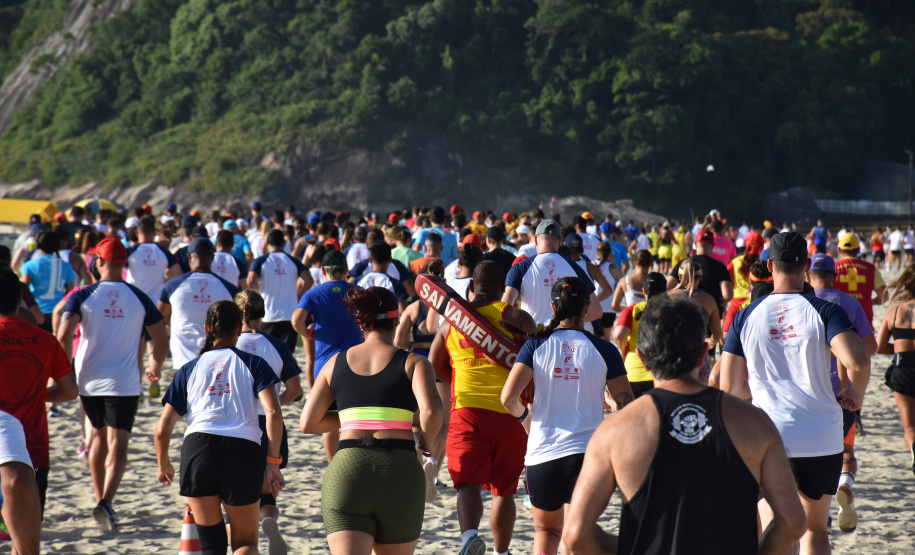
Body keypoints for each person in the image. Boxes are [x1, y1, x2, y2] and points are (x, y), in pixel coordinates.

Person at [562, 296, 806, 555]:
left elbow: (576, 534)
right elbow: (792, 522)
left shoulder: (616, 431)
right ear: (703, 354)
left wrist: (635, 548)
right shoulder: (753, 422)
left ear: (643, 359)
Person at [720, 231, 871, 555]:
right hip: (820, 435)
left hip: (767, 436)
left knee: (774, 534)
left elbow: (731, 387)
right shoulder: (824, 310)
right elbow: (858, 361)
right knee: (815, 531)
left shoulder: (747, 314)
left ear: (770, 266)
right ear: (805, 265)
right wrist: (854, 393)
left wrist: (760, 396)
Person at [299, 286, 442, 555]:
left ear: (361, 323)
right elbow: (432, 412)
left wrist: (353, 418)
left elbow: (308, 423)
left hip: (349, 469)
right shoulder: (414, 363)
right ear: (397, 319)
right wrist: (428, 440)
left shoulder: (335, 363)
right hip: (398, 469)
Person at [501, 277, 633, 555]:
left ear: (552, 306)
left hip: (542, 453)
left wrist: (525, 418)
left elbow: (508, 398)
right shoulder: (605, 349)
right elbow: (627, 407)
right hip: (586, 457)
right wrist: (606, 400)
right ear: (587, 307)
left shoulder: (535, 344)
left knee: (545, 532)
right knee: (579, 538)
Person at [156, 300, 285, 555]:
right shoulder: (254, 363)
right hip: (242, 450)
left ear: (206, 328)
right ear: (239, 329)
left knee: (211, 546)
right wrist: (272, 462)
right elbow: (273, 412)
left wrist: (164, 464)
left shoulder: (188, 370)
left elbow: (163, 427)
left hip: (197, 450)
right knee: (246, 543)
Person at [57, 237, 169, 531]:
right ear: (123, 264)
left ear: (100, 262)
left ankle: (100, 498)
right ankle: (106, 501)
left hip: (88, 378)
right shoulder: (139, 296)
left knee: (97, 438)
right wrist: (154, 365)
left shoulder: (83, 294)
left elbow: (64, 333)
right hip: (124, 380)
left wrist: (63, 371)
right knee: (119, 442)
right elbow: (160, 339)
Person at [429, 261, 536, 555]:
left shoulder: (451, 321)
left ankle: (469, 538)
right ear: (504, 289)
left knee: (468, 485)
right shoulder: (518, 318)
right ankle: (502, 553)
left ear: (471, 287)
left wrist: (461, 373)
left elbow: (434, 367)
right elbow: (533, 365)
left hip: (467, 410)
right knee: (504, 491)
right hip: (511, 414)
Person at [0, 269, 78, 527]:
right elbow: (69, 391)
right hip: (32, 449)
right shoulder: (46, 340)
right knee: (24, 536)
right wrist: (33, 394)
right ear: (20, 300)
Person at [807, 253, 876, 532]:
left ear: (808, 275)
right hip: (844, 393)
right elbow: (869, 348)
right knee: (845, 449)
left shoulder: (804, 303)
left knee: (811, 453)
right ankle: (845, 484)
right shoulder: (849, 302)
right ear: (835, 277)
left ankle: (816, 504)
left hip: (811, 391)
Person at [234, 290, 302, 553]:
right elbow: (294, 389)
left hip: (239, 422)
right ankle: (269, 519)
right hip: (270, 423)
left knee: (237, 490)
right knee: (267, 490)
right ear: (262, 315)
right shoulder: (276, 344)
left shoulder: (230, 344)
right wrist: (274, 404)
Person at [292, 249, 365, 461]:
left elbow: (296, 319)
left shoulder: (314, 293)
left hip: (325, 364)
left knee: (328, 420)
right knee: (354, 416)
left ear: (323, 270)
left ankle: (333, 464)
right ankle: (353, 459)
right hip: (355, 362)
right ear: (346, 270)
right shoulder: (357, 291)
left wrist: (306, 333)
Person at [158, 238, 242, 368]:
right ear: (212, 258)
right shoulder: (229, 289)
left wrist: (177, 323)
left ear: (189, 257)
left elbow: (162, 315)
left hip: (183, 358)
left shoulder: (173, 286)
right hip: (216, 359)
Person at [503, 220, 601, 326]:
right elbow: (596, 312)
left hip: (533, 337)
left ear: (535, 239)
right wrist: (567, 321)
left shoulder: (521, 268)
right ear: (559, 241)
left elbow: (504, 309)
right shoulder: (575, 267)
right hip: (565, 338)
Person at [875, 264, 915, 477]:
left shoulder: (895, 312)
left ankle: (913, 448)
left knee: (910, 428)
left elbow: (879, 347)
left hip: (903, 369)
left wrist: (900, 347)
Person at [248, 229, 313, 352]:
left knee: (269, 355)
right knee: (286, 355)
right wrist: (299, 296)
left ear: (267, 242)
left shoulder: (261, 261)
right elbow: (309, 280)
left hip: (268, 315)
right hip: (289, 314)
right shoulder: (293, 261)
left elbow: (251, 279)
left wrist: (258, 294)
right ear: (284, 242)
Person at [612, 272, 669, 398]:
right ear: (665, 290)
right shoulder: (672, 311)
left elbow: (618, 335)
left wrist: (623, 351)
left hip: (633, 373)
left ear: (644, 291)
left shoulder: (632, 310)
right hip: (662, 374)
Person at [666, 258, 721, 382]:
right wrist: (711, 341)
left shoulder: (667, 297)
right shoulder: (709, 300)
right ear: (700, 277)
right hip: (698, 354)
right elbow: (717, 335)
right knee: (699, 397)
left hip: (672, 354)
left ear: (679, 276)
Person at [20, 230, 76, 332]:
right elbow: (70, 293)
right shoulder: (66, 266)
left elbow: (25, 291)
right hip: (59, 313)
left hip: (36, 313)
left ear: (38, 244)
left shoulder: (29, 265)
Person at [669, 228, 733, 315]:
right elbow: (728, 294)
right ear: (712, 246)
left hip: (686, 312)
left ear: (695, 244)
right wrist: (720, 302)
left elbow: (667, 286)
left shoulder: (684, 263)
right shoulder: (720, 266)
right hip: (710, 314)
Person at [832, 232, 885, 326]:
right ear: (858, 250)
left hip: (838, 323)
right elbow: (884, 296)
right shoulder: (870, 268)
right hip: (864, 324)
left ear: (839, 250)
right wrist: (871, 302)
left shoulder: (832, 267)